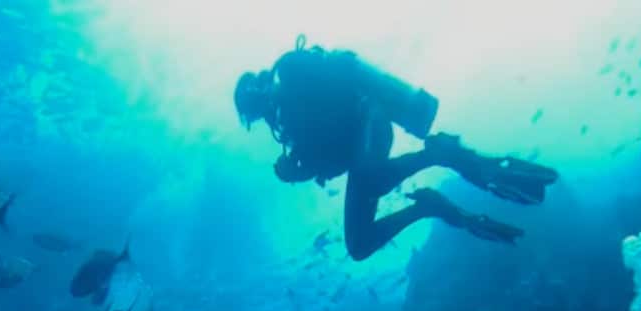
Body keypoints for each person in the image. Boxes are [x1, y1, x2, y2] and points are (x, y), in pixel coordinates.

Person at [234, 36, 559, 261]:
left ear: (259, 87)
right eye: (256, 114)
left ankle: (437, 154)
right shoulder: (287, 121)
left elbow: (340, 106)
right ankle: (427, 206)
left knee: (372, 178)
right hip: (361, 153)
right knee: (359, 245)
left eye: (257, 106)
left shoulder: (293, 73)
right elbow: (332, 161)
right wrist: (300, 172)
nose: (264, 114)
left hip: (372, 121)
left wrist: (303, 162)